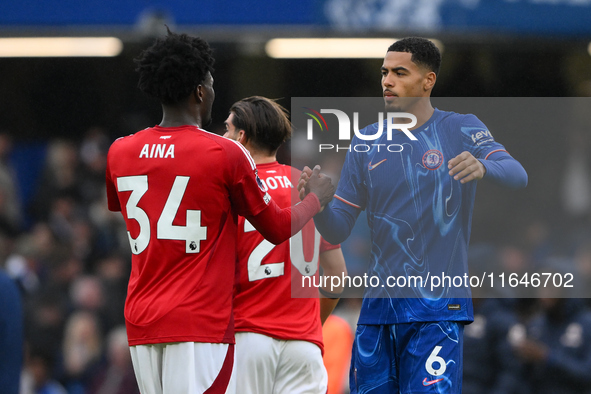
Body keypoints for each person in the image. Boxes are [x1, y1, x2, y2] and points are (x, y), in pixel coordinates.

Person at [105, 30, 334, 394]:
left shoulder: (119, 151)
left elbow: (131, 210)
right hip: (198, 322)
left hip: (141, 320)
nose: (212, 90)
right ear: (199, 91)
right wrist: (314, 200)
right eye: (210, 83)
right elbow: (275, 227)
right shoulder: (224, 154)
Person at [299, 37, 528, 393]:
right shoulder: (366, 141)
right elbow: (339, 227)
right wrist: (319, 204)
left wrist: (483, 166)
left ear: (428, 80)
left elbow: (517, 174)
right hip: (377, 313)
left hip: (436, 313)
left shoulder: (459, 128)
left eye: (399, 72)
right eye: (384, 72)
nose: (387, 81)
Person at [223, 96, 347, 394]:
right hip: (304, 345)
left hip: (247, 338)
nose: (222, 137)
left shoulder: (231, 193)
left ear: (242, 136)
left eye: (226, 129)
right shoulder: (310, 189)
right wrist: (309, 325)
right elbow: (337, 276)